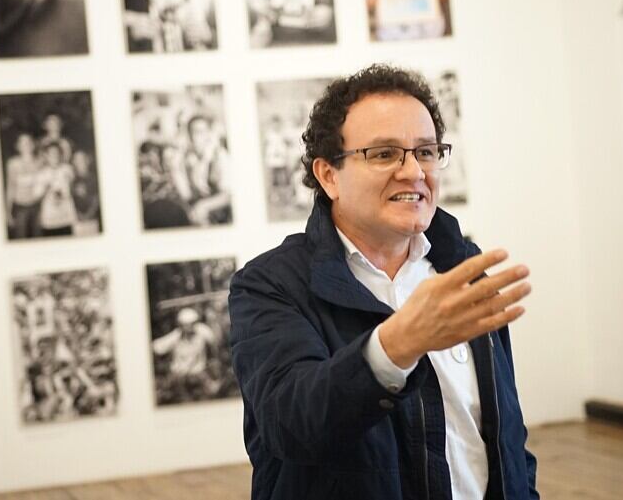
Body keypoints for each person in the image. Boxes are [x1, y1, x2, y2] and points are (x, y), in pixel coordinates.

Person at [229, 64, 538, 499]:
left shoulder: (463, 269)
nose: (413, 172)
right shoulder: (269, 285)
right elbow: (291, 424)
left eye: (426, 151)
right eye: (384, 153)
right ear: (328, 175)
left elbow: (505, 438)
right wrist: (397, 344)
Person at [173, 115, 232, 226]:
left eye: (205, 131)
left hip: (222, 215)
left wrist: (203, 206)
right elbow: (187, 195)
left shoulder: (220, 156)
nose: (203, 137)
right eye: (197, 132)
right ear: (190, 137)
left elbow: (229, 195)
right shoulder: (189, 160)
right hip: (199, 214)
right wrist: (176, 170)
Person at [152, 307, 217, 402]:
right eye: (186, 324)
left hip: (199, 374)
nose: (189, 327)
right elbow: (156, 347)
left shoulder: (201, 332)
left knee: (212, 394)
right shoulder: (175, 336)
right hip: (179, 376)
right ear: (180, 325)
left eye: (192, 323)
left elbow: (214, 339)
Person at [34, 141, 77, 237]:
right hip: (50, 218)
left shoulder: (68, 169)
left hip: (66, 216)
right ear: (46, 155)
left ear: (61, 154)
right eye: (51, 153)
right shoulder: (41, 173)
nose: (54, 156)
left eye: (57, 153)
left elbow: (74, 189)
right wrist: (45, 186)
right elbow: (36, 195)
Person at [6, 133, 42, 239]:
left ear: (33, 145)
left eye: (28, 142)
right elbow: (10, 187)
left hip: (37, 207)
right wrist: (7, 211)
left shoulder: (40, 162)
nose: (26, 145)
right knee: (20, 238)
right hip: (20, 207)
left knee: (39, 239)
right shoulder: (13, 164)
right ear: (18, 146)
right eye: (22, 143)